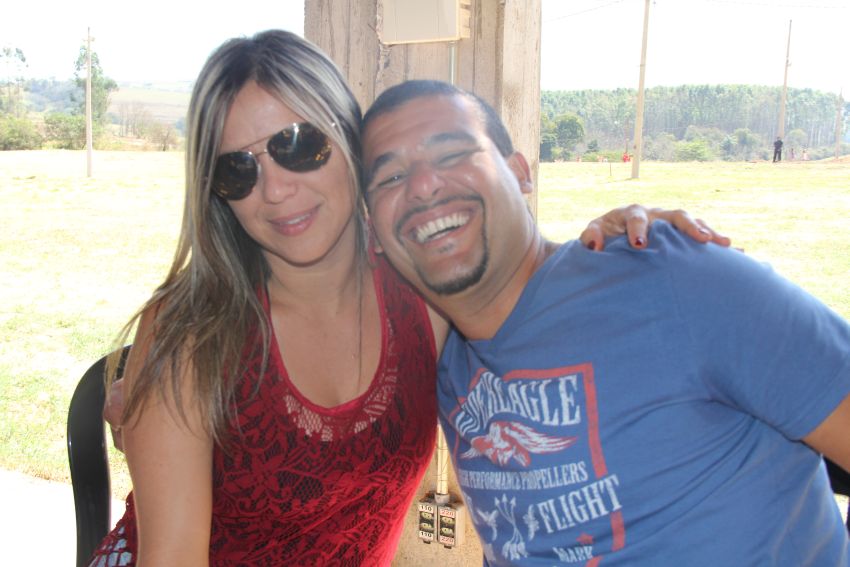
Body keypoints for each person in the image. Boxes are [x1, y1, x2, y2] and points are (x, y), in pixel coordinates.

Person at [93, 31, 726, 566]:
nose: (276, 190)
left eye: (298, 145)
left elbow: (524, 279)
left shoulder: (419, 291)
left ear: (349, 139)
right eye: (238, 169)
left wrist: (612, 247)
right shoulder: (194, 333)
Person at [361, 80, 850, 565]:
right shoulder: (438, 359)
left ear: (520, 174)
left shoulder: (670, 276)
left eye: (452, 154)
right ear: (375, 235)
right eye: (391, 177)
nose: (422, 185)